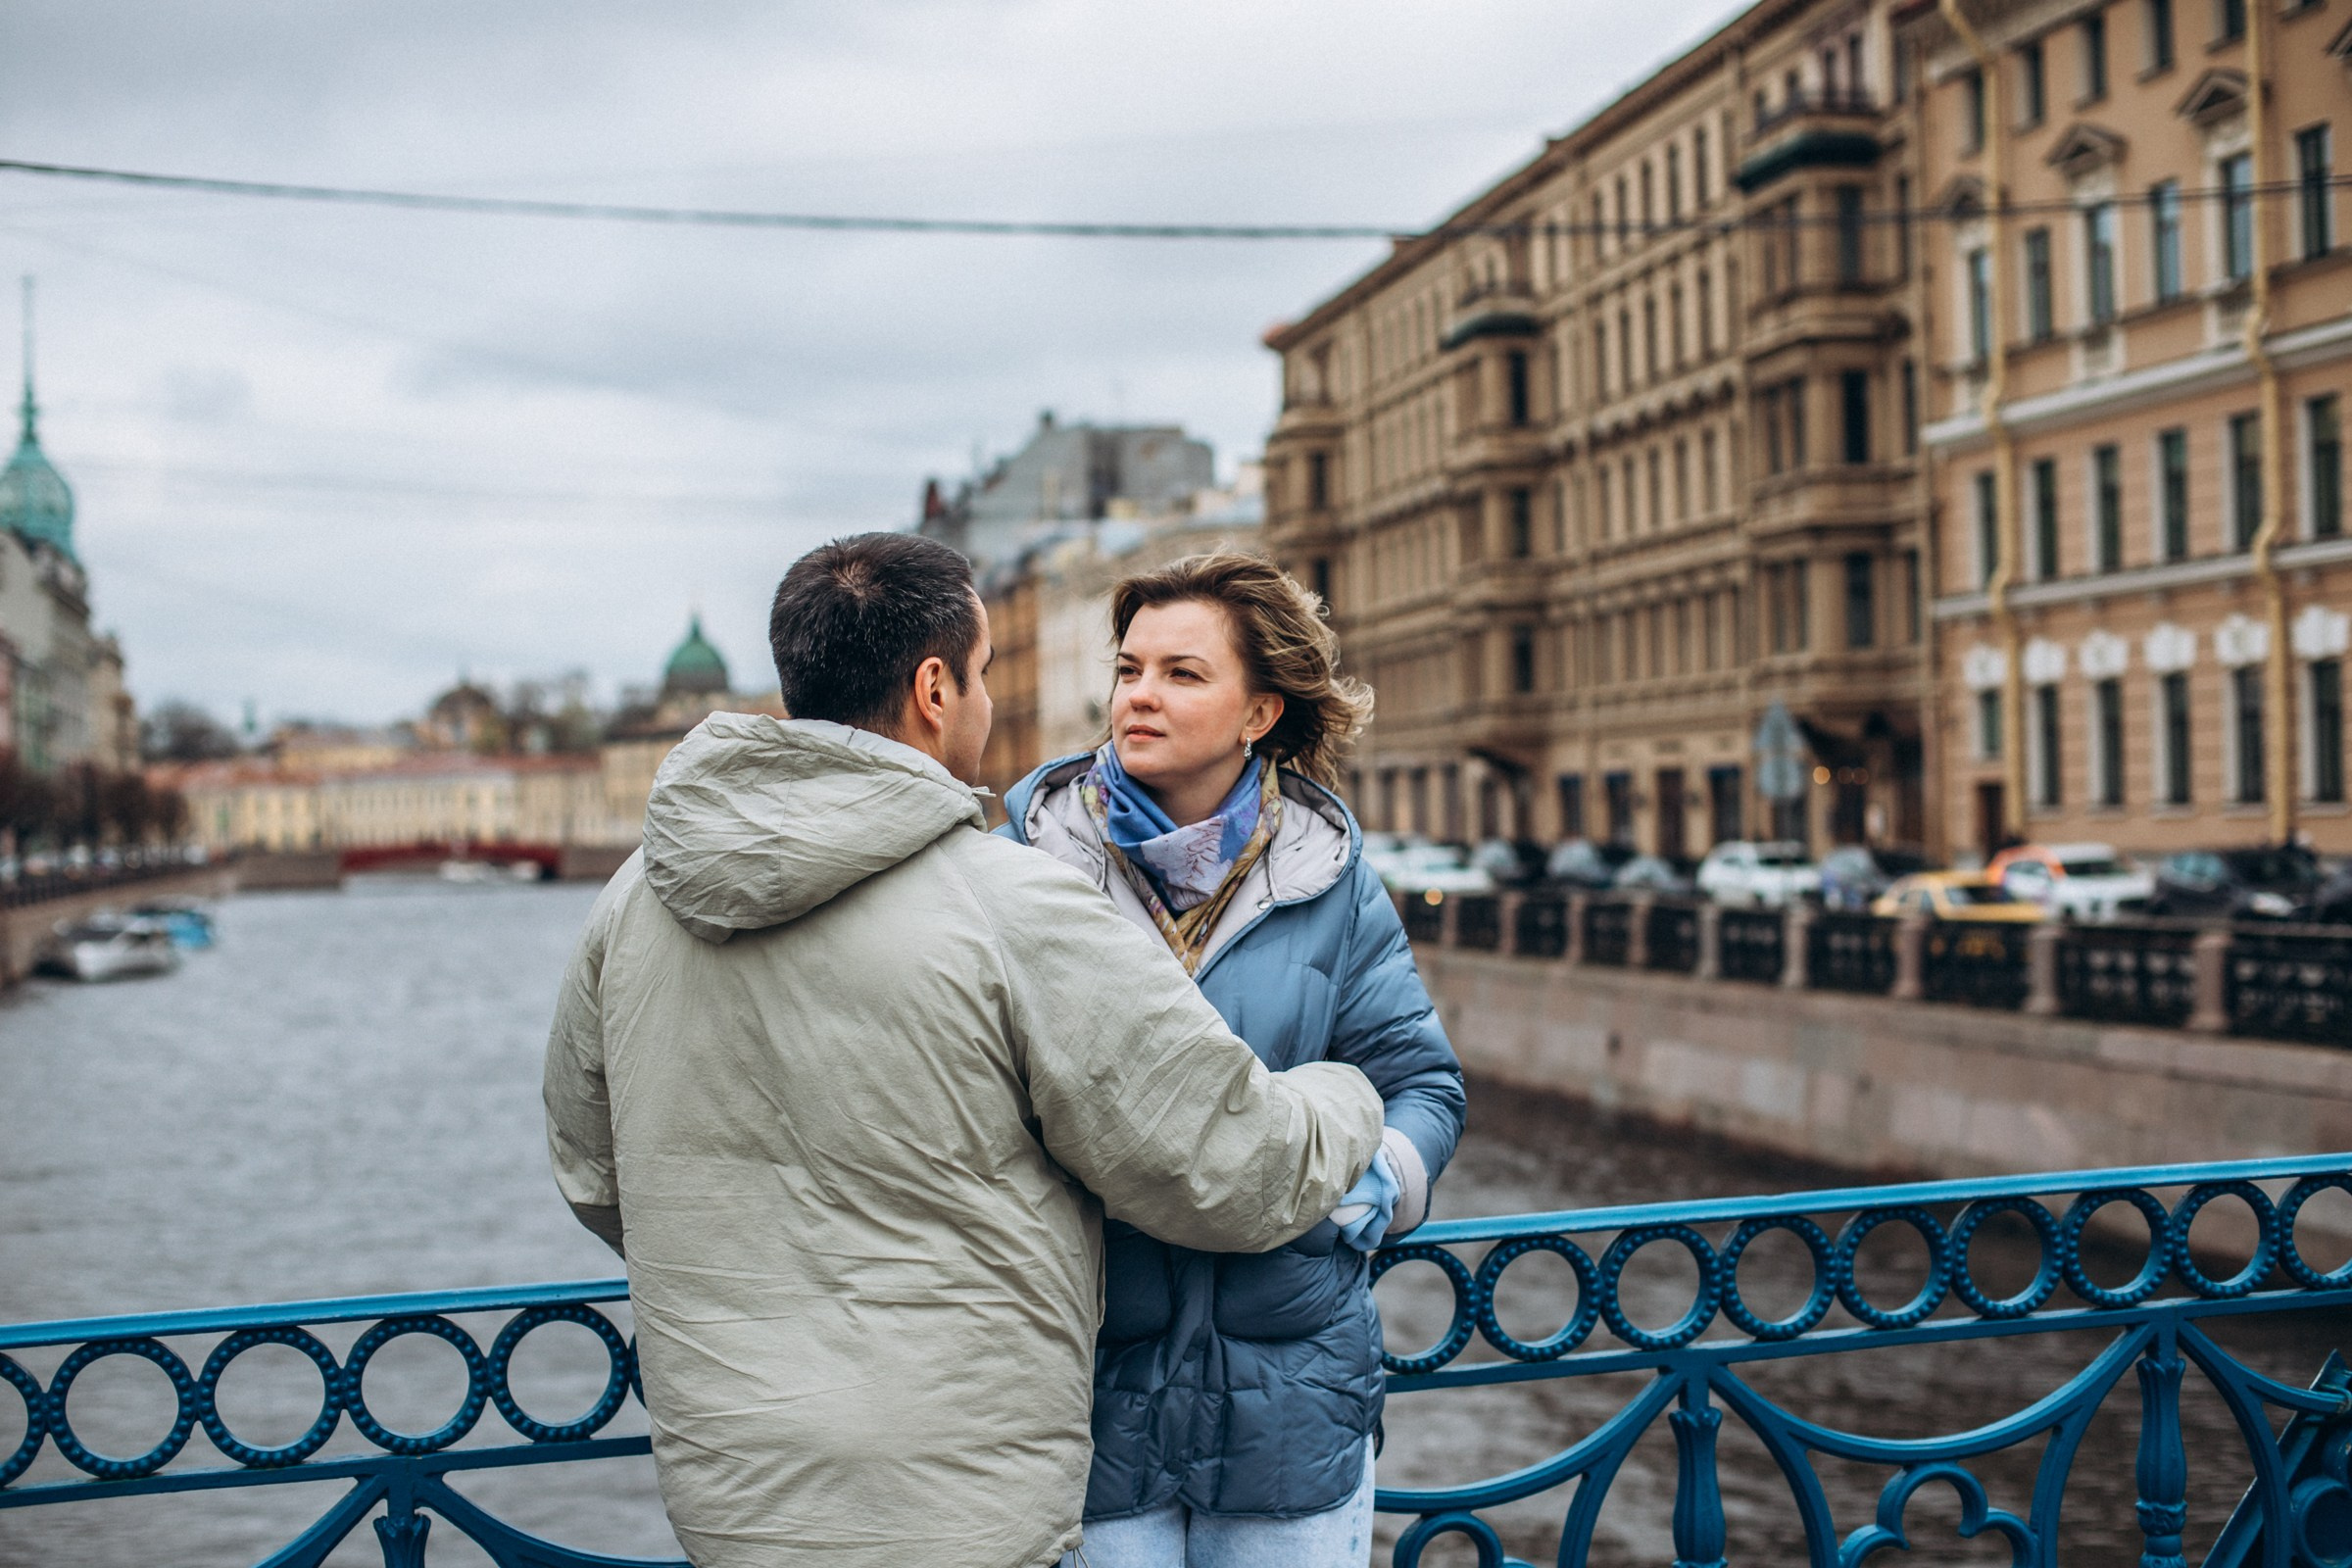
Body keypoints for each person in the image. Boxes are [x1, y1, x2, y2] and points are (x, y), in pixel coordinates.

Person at [542, 532, 1385, 1568]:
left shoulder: (631, 901)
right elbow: (1230, 1165)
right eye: (984, 675)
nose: (991, 705)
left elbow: (591, 1170)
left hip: (735, 1492)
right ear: (935, 689)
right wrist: (1348, 1095)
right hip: (961, 1497)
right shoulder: (1011, 902)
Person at [999, 551, 1466, 1568]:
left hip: (1290, 1399)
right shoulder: (1025, 867)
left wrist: (1381, 1177)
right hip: (1087, 1396)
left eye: (1182, 672)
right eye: (1129, 670)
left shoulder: (1328, 874)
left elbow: (1422, 1082)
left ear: (1259, 712)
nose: (1141, 696)